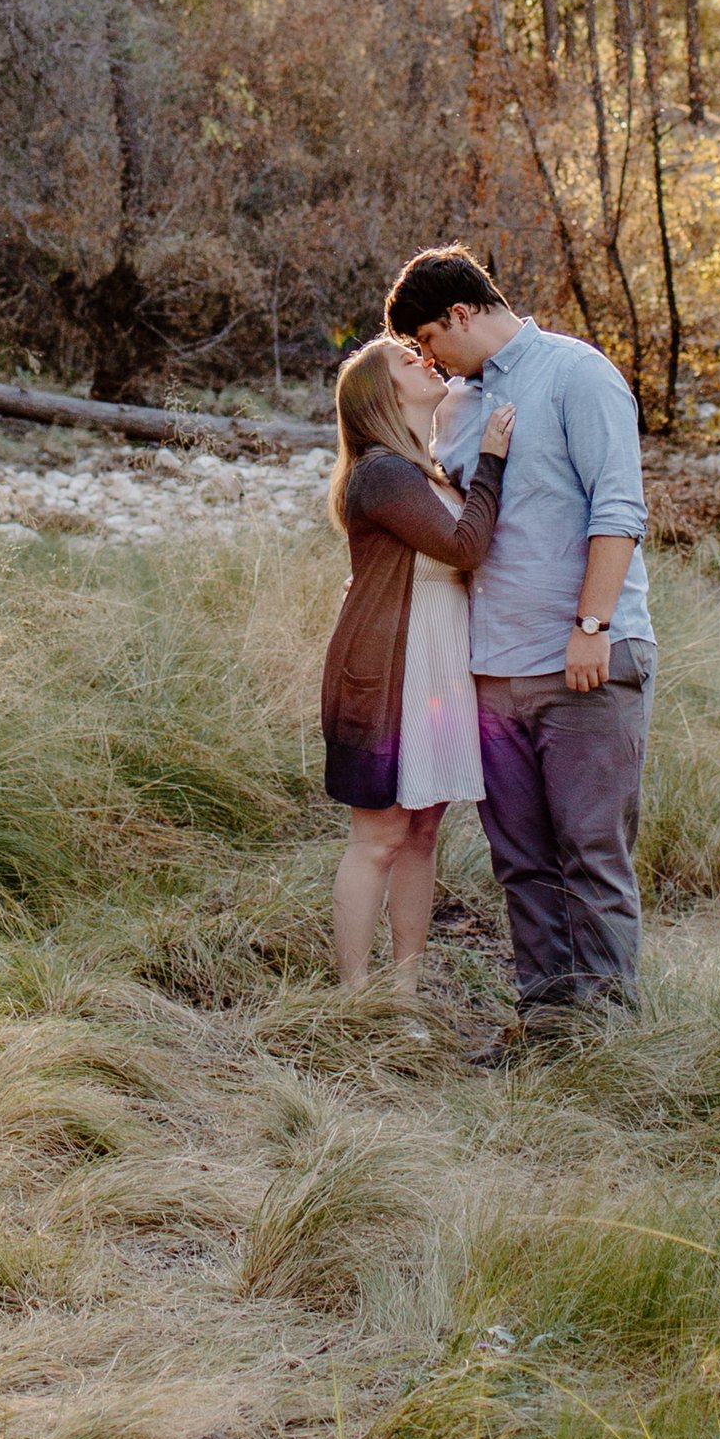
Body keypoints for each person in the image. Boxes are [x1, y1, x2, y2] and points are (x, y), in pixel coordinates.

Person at [385, 248, 653, 1023]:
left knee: (592, 856)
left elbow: (619, 510)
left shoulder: (578, 374)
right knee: (523, 863)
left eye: (429, 343)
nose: (429, 361)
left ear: (461, 314)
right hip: (492, 671)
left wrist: (591, 627)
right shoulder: (461, 405)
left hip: (585, 661)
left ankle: (606, 1035)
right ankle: (545, 1023)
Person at [318, 334, 514, 997]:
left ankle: (403, 992)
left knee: (422, 832)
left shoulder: (423, 471)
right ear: (385, 394)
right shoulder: (382, 472)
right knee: (378, 837)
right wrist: (491, 461)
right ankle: (354, 995)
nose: (427, 362)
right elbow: (464, 548)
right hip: (390, 672)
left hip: (435, 665)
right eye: (410, 361)